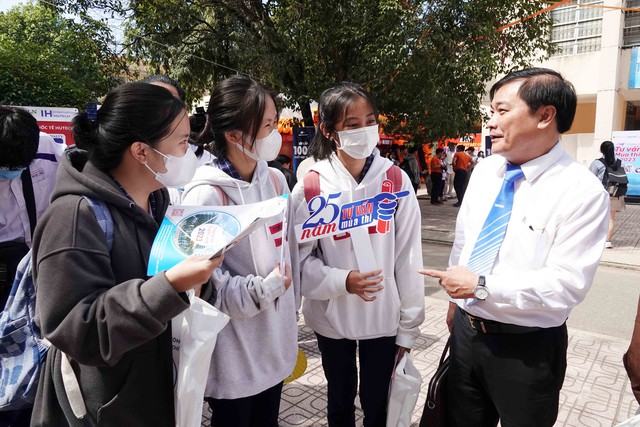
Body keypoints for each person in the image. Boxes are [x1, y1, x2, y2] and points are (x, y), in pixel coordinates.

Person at [420, 68, 609, 427]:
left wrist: (480, 285)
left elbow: (566, 286)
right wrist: (455, 304)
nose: (490, 123)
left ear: (544, 115)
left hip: (528, 350)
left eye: (502, 111)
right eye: (491, 111)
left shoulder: (581, 192)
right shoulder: (486, 170)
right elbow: (465, 242)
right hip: (466, 332)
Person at [30, 82, 223, 426]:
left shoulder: (158, 202)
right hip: (102, 410)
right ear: (141, 152)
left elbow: (177, 290)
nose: (190, 150)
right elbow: (75, 329)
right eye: (181, 142)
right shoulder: (74, 216)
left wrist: (200, 281)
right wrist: (171, 285)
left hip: (157, 396)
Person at [291, 82, 424, 427]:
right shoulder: (312, 186)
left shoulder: (395, 181)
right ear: (328, 130)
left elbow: (408, 257)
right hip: (330, 317)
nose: (365, 131)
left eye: (370, 120)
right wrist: (342, 281)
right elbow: (300, 260)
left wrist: (409, 328)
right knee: (339, 397)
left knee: (377, 402)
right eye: (352, 125)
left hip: (382, 318)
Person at [181, 75, 297, 427]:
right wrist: (269, 289)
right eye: (266, 125)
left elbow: (285, 253)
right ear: (233, 135)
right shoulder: (205, 197)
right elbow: (206, 287)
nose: (275, 133)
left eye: (275, 122)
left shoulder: (276, 181)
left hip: (274, 346)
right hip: (233, 357)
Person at [0, 106, 64, 426]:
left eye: (20, 166)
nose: (11, 172)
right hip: (2, 262)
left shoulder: (51, 151)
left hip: (40, 261)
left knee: (37, 343)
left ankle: (29, 405)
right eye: (5, 167)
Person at [589, 140, 626, 248]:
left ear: (601, 150)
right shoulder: (620, 162)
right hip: (615, 193)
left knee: (596, 218)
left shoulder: (597, 163)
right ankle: (607, 241)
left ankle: (595, 240)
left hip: (601, 194)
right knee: (611, 219)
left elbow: (590, 179)